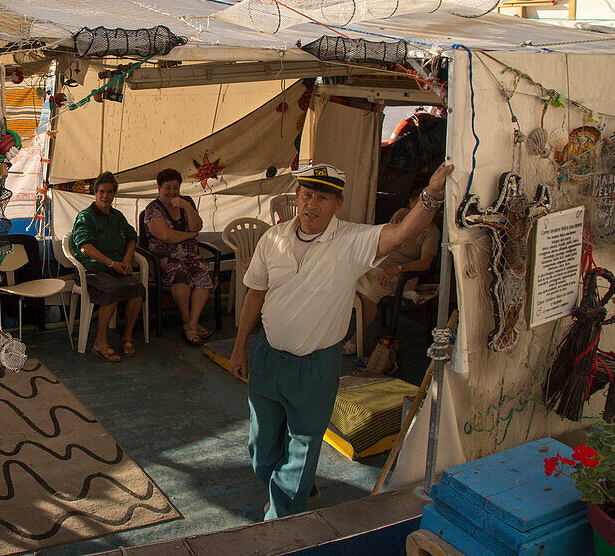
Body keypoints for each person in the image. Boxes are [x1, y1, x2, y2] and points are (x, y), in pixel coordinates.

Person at [229, 161, 453, 519]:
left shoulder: (352, 240)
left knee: (303, 442)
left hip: (316, 365)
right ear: (296, 197)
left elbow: (401, 235)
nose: (311, 204)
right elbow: (255, 292)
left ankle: (283, 520)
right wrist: (240, 347)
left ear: (337, 204)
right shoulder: (273, 238)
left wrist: (431, 196)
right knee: (261, 447)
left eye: (321, 197)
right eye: (306, 195)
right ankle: (294, 484)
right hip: (269, 356)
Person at [344, 188, 441, 355]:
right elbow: (385, 237)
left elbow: (425, 263)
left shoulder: (431, 231)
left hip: (401, 274)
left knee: (369, 296)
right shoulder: (401, 215)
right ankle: (335, 332)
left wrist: (397, 269)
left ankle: (356, 340)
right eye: (415, 206)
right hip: (379, 265)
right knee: (344, 282)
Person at [71, 171, 145, 362]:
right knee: (110, 291)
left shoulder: (117, 216)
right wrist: (111, 263)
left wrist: (127, 260)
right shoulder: (86, 216)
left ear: (114, 194)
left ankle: (127, 336)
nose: (105, 196)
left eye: (109, 192)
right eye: (101, 192)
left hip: (116, 268)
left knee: (137, 290)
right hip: (92, 270)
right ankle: (100, 342)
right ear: (95, 194)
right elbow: (85, 248)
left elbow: (131, 238)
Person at [142, 168, 217, 346]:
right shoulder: (152, 209)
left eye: (175, 188)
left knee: (204, 273)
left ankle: (191, 323)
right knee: (179, 274)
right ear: (159, 187)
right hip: (164, 258)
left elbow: (197, 225)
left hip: (190, 255)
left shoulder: (187, 202)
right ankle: (188, 319)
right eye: (168, 188)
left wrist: (186, 206)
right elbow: (166, 236)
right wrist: (190, 236)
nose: (172, 192)